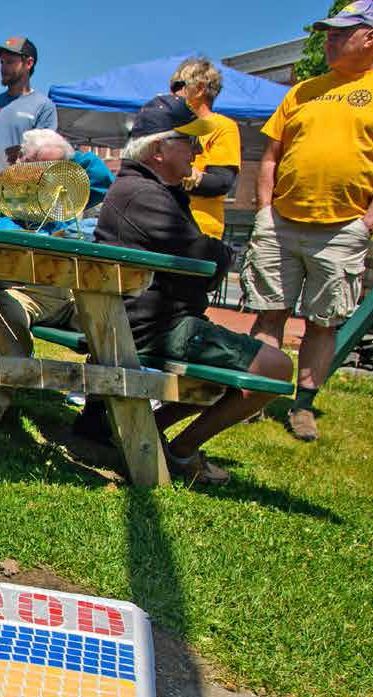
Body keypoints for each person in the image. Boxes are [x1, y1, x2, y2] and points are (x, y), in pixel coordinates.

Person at [243, 0, 373, 442]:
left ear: (371, 38)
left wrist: (369, 222)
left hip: (343, 226)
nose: (329, 41)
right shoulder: (303, 90)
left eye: (341, 33)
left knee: (323, 321)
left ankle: (302, 405)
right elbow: (270, 156)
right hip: (282, 221)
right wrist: (264, 211)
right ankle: (252, 394)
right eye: (328, 33)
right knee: (268, 313)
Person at [94, 95, 293, 486]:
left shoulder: (140, 190)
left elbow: (196, 262)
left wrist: (210, 258)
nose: (198, 151)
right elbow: (206, 260)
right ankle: (181, 451)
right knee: (276, 366)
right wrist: (221, 254)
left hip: (132, 321)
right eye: (188, 141)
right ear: (157, 149)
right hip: (153, 327)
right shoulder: (146, 195)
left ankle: (146, 429)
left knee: (233, 367)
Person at [0, 128, 113, 420]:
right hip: (19, 290)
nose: (45, 176)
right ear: (19, 160)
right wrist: (39, 238)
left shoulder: (60, 186)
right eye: (37, 167)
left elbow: (103, 180)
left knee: (115, 326)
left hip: (66, 289)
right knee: (11, 333)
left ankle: (100, 418)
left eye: (53, 170)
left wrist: (63, 155)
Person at [0, 37, 57, 182]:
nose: (3, 68)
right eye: (1, 62)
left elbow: (42, 160)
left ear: (29, 63)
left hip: (17, 199)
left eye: (9, 62)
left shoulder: (44, 107)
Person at [169, 57, 240, 240]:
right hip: (162, 226)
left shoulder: (223, 126)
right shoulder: (167, 125)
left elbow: (221, 182)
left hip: (200, 233)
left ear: (199, 89)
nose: (173, 92)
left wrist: (178, 175)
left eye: (178, 86)